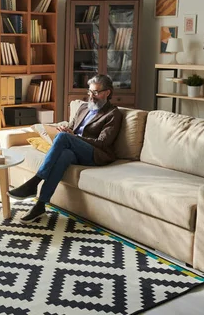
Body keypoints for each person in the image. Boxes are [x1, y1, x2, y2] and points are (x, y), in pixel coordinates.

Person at [7, 74, 123, 224]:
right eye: (90, 91)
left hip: (95, 154)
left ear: (107, 93)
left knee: (63, 138)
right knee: (64, 156)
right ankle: (40, 205)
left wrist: (73, 137)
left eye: (96, 92)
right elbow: (72, 127)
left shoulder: (113, 114)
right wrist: (65, 129)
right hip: (74, 150)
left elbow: (103, 142)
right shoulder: (83, 107)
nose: (91, 96)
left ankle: (35, 181)